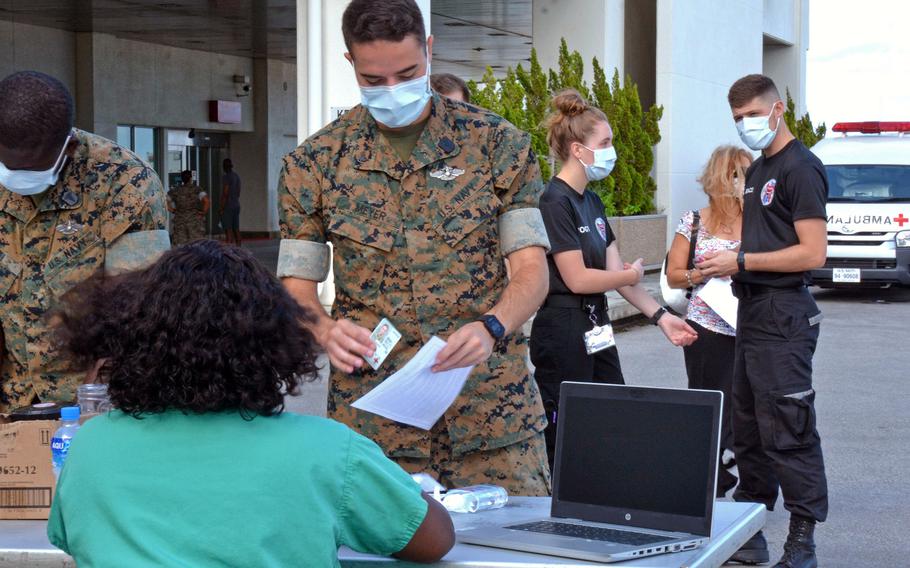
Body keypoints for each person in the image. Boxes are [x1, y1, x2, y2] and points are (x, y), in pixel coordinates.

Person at [278, 0, 552, 495]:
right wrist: (321, 330)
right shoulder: (313, 164)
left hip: (492, 417)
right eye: (373, 79)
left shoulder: (497, 145)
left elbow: (532, 270)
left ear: (429, 49)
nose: (391, 91)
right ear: (350, 64)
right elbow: (296, 285)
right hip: (376, 423)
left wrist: (494, 325)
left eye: (406, 73)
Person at [46, 240, 455, 566]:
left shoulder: (90, 445)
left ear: (134, 340)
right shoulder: (327, 450)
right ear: (274, 342)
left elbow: (70, 536)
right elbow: (433, 539)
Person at [698, 74, 828, 568]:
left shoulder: (800, 167)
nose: (746, 125)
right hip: (750, 312)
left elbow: (813, 252)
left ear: (778, 109)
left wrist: (744, 262)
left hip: (783, 316)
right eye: (737, 119)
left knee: (788, 427)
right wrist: (732, 256)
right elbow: (767, 242)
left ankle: (802, 542)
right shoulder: (758, 171)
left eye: (752, 115)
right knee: (747, 428)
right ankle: (750, 535)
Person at [529, 90, 698, 467]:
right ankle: (560, 504)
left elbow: (619, 276)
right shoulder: (554, 201)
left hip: (595, 323)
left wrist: (662, 317)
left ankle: (597, 499)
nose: (611, 151)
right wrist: (626, 274)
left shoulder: (592, 201)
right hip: (564, 327)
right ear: (577, 149)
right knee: (569, 423)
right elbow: (576, 279)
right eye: (604, 143)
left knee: (609, 409)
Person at [0, 71, 170, 412]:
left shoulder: (125, 183)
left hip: (90, 398)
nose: (18, 179)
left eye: (33, 171)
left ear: (70, 148)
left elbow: (140, 304)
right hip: (9, 393)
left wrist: (108, 395)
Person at [666, 145, 753, 497]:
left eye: (747, 173)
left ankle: (751, 484)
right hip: (707, 327)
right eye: (737, 173)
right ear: (719, 177)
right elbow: (673, 276)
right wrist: (700, 273)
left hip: (751, 324)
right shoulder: (694, 220)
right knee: (709, 403)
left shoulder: (760, 220)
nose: (743, 181)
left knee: (748, 407)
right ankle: (711, 483)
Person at [167, 169, 209, 245]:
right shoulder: (197, 189)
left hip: (180, 220)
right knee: (196, 243)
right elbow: (206, 201)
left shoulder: (175, 190)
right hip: (194, 220)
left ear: (182, 179)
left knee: (181, 244)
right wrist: (203, 212)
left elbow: (165, 202)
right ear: (190, 178)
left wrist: (173, 210)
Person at [220, 158, 242, 246]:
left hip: (228, 206)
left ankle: (229, 249)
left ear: (224, 167)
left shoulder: (226, 177)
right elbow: (238, 192)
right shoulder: (236, 176)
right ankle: (239, 248)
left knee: (228, 229)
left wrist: (221, 207)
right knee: (236, 228)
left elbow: (225, 193)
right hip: (236, 204)